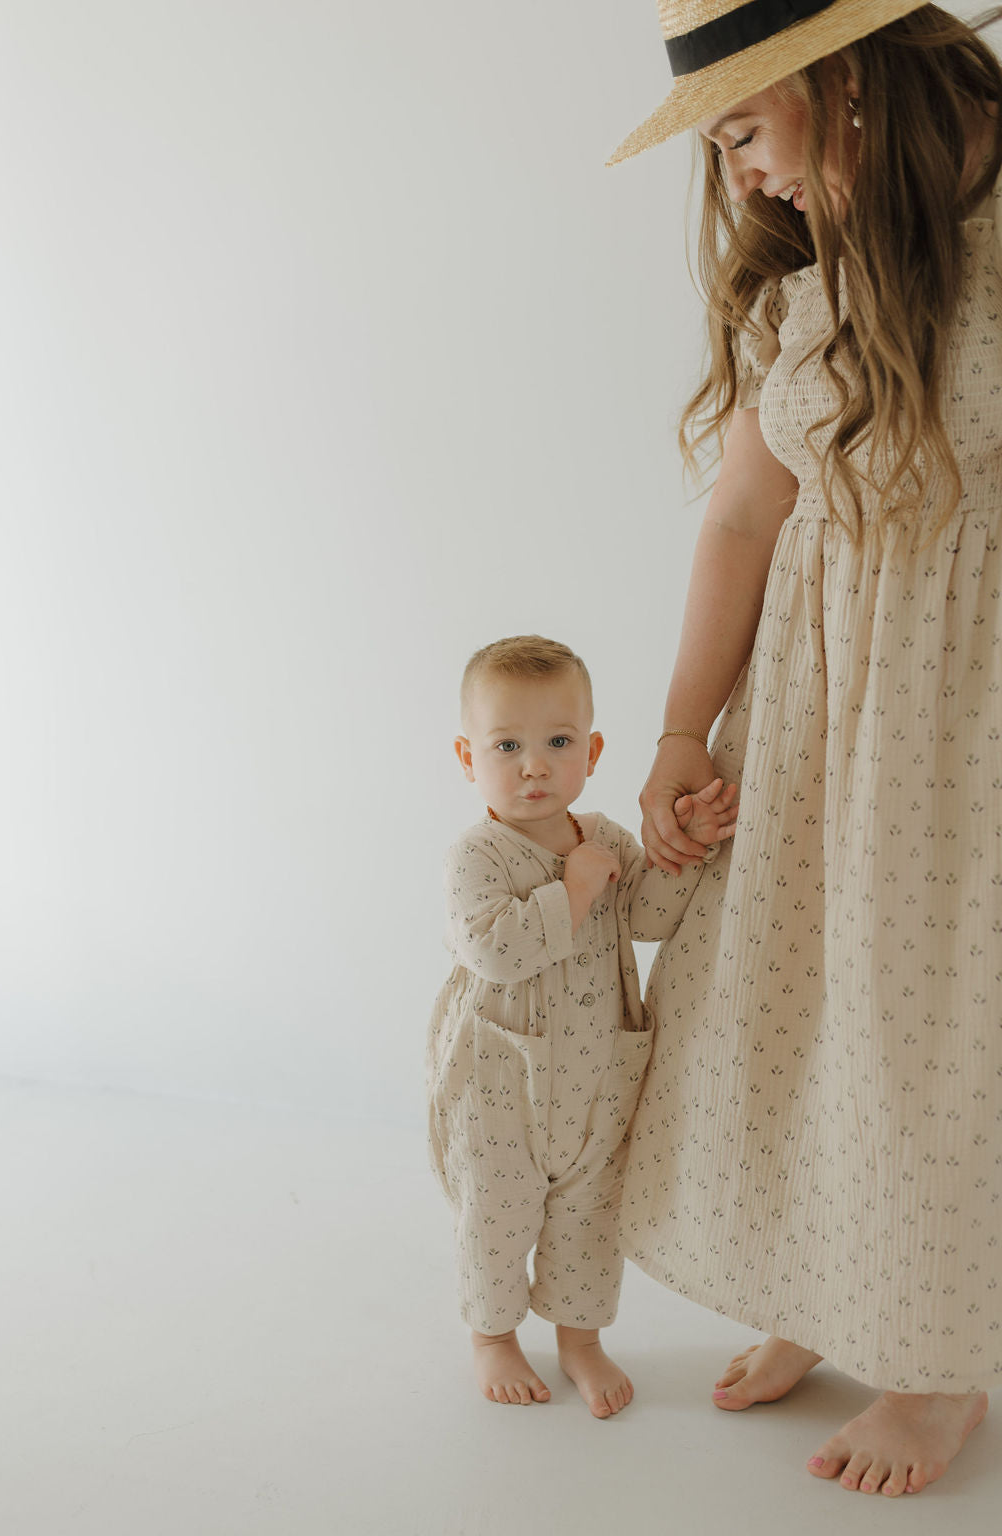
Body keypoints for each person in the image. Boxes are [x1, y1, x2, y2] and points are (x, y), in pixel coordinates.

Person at [608, 0, 1002, 1498]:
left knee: (932, 1030)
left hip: (965, 725)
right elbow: (741, 519)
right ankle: (836, 1282)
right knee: (787, 1004)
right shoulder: (813, 289)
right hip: (819, 716)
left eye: (741, 134)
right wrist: (679, 729)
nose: (741, 180)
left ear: (837, 80)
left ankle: (934, 1359)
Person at [427, 635, 737, 1416]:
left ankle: (581, 1339)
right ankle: (493, 1336)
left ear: (592, 753)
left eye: (558, 743)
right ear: (468, 758)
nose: (534, 765)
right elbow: (494, 950)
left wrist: (688, 845)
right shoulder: (477, 857)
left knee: (589, 1218)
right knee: (498, 1216)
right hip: (500, 1086)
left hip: (597, 1077)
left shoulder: (604, 841)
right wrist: (570, 892)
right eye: (507, 746)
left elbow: (651, 916)